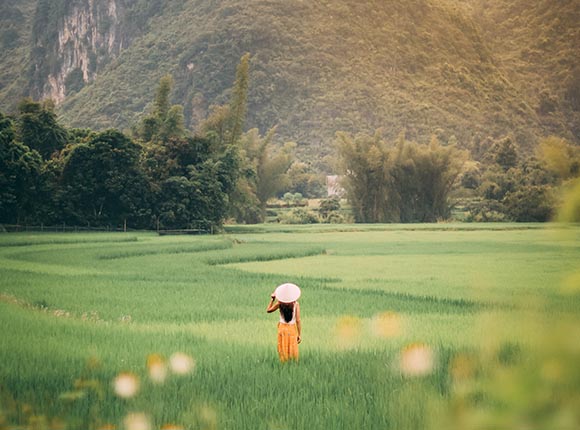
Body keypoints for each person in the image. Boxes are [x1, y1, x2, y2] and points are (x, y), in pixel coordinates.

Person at [266, 283, 301, 362]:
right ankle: (292, 364)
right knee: (292, 348)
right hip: (292, 329)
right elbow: (298, 320)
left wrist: (272, 299)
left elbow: (268, 310)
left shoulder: (280, 303)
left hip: (282, 328)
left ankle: (284, 363)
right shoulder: (296, 304)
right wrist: (299, 334)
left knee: (283, 347)